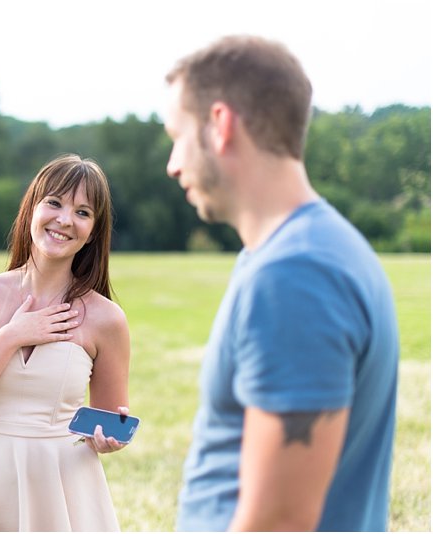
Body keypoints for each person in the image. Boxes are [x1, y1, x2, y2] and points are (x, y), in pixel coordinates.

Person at [162, 35, 399, 531]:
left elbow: (279, 521)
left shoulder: (297, 274)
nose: (173, 164)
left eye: (177, 136)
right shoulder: (298, 251)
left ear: (221, 126)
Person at [0, 154, 131, 531]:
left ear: (94, 231)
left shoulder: (107, 319)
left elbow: (106, 422)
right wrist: (11, 336)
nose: (65, 220)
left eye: (82, 212)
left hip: (62, 488)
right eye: (54, 203)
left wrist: (106, 441)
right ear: (31, 208)